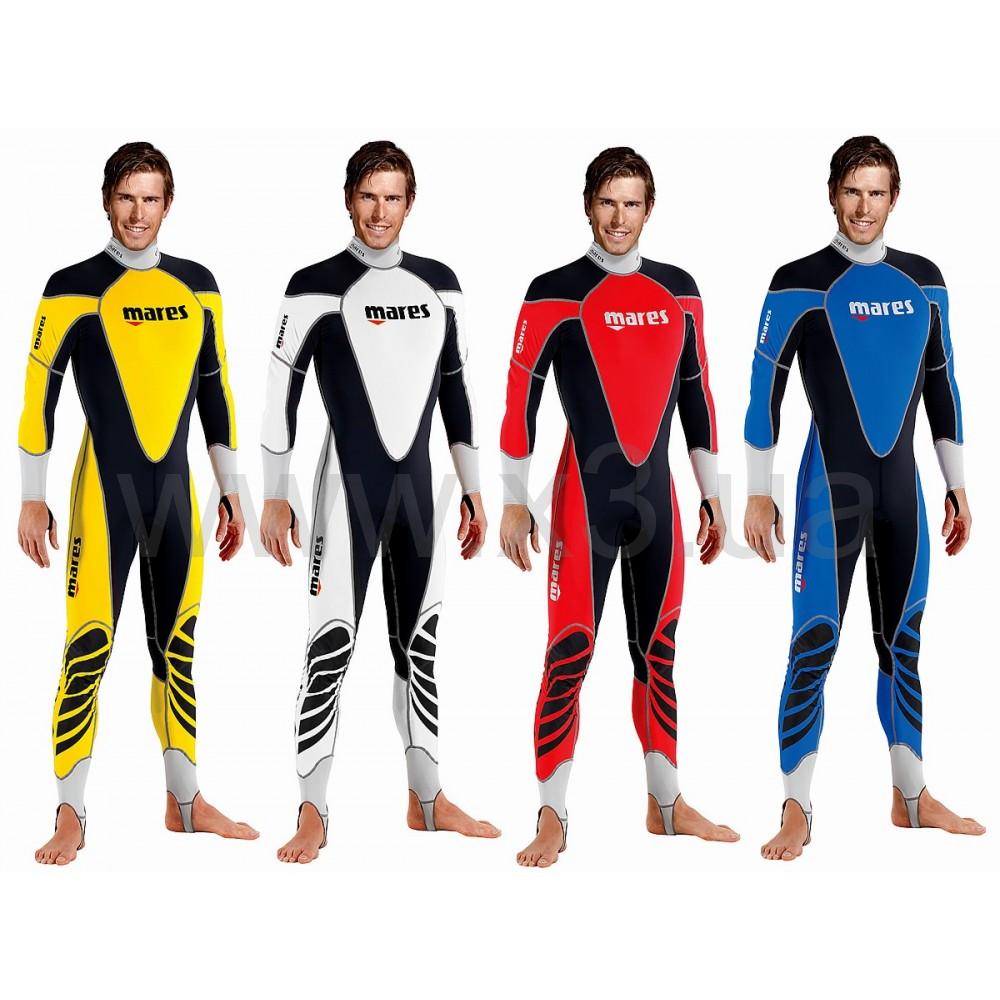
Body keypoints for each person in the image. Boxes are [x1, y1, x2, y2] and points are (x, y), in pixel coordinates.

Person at [743, 135, 985, 861]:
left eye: (876, 192)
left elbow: (943, 384)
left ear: (894, 198)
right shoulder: (798, 281)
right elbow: (763, 391)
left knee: (904, 638)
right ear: (832, 194)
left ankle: (911, 796)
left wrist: (958, 483)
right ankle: (795, 807)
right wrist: (758, 493)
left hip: (903, 488)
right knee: (814, 639)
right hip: (830, 488)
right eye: (852, 191)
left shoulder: (925, 281)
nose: (863, 206)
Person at [18, 140, 258, 865]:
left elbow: (216, 390)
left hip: (176, 494)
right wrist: (31, 498)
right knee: (89, 644)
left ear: (168, 204)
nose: (137, 213)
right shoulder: (71, 287)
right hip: (103, 494)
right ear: (106, 201)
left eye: (151, 198)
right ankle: (70, 813)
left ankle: (185, 802)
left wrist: (232, 489)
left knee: (178, 645)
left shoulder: (199, 286)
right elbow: (37, 396)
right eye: (126, 197)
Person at [260, 140, 499, 863]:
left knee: (420, 645)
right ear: (348, 199)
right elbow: (279, 395)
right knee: (329, 647)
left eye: (393, 197)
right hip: (346, 492)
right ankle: (312, 811)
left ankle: (428, 799)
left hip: (421, 492)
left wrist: (474, 487)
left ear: (410, 203)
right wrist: (275, 495)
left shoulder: (440, 285)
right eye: (368, 195)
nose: (380, 211)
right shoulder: (314, 286)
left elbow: (457, 391)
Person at [499, 147, 738, 868]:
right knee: (569, 649)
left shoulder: (680, 291)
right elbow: (520, 399)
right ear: (587, 205)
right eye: (608, 202)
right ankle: (551, 815)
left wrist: (712, 494)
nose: (619, 217)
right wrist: (513, 501)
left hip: (658, 499)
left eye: (632, 203)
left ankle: (666, 804)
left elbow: (697, 395)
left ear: (649, 209)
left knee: (659, 649)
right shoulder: (553, 292)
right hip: (584, 500)